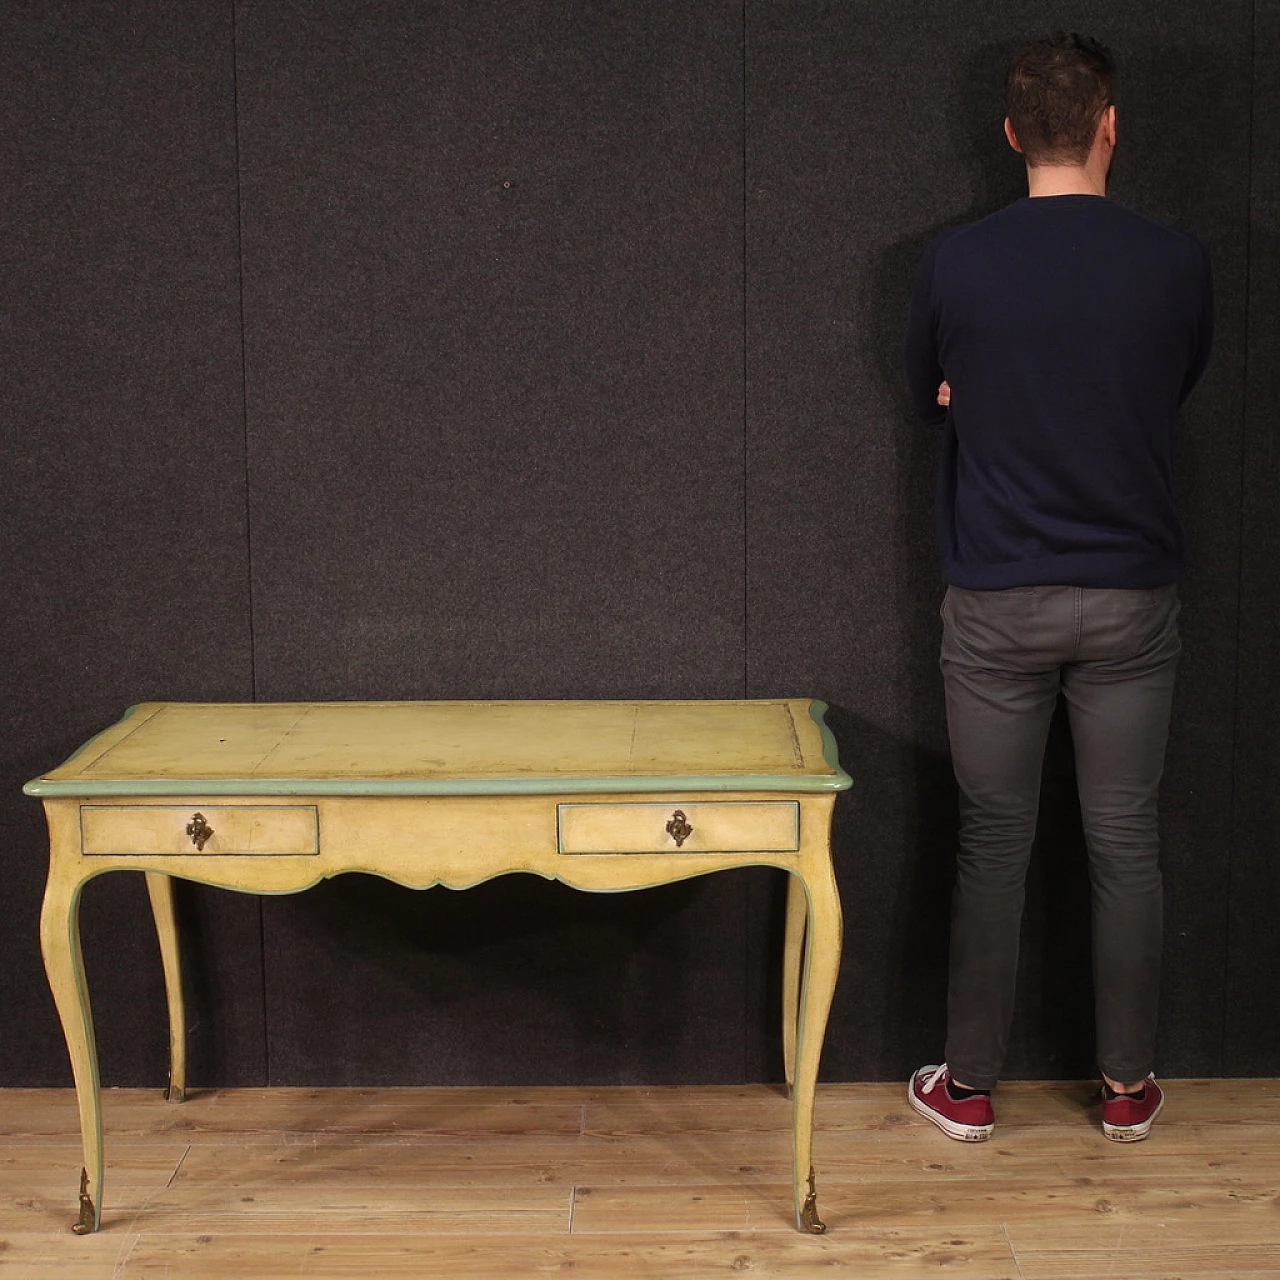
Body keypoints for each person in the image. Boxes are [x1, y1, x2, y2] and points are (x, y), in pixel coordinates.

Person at [903, 32, 1213, 1143]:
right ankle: (1125, 1086)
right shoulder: (1175, 261)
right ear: (1107, 127)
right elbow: (1173, 380)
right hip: (1130, 597)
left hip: (993, 601)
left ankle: (969, 1084)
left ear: (1007, 132)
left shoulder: (953, 262)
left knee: (992, 839)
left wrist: (972, 390)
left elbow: (926, 392)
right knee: (1123, 839)